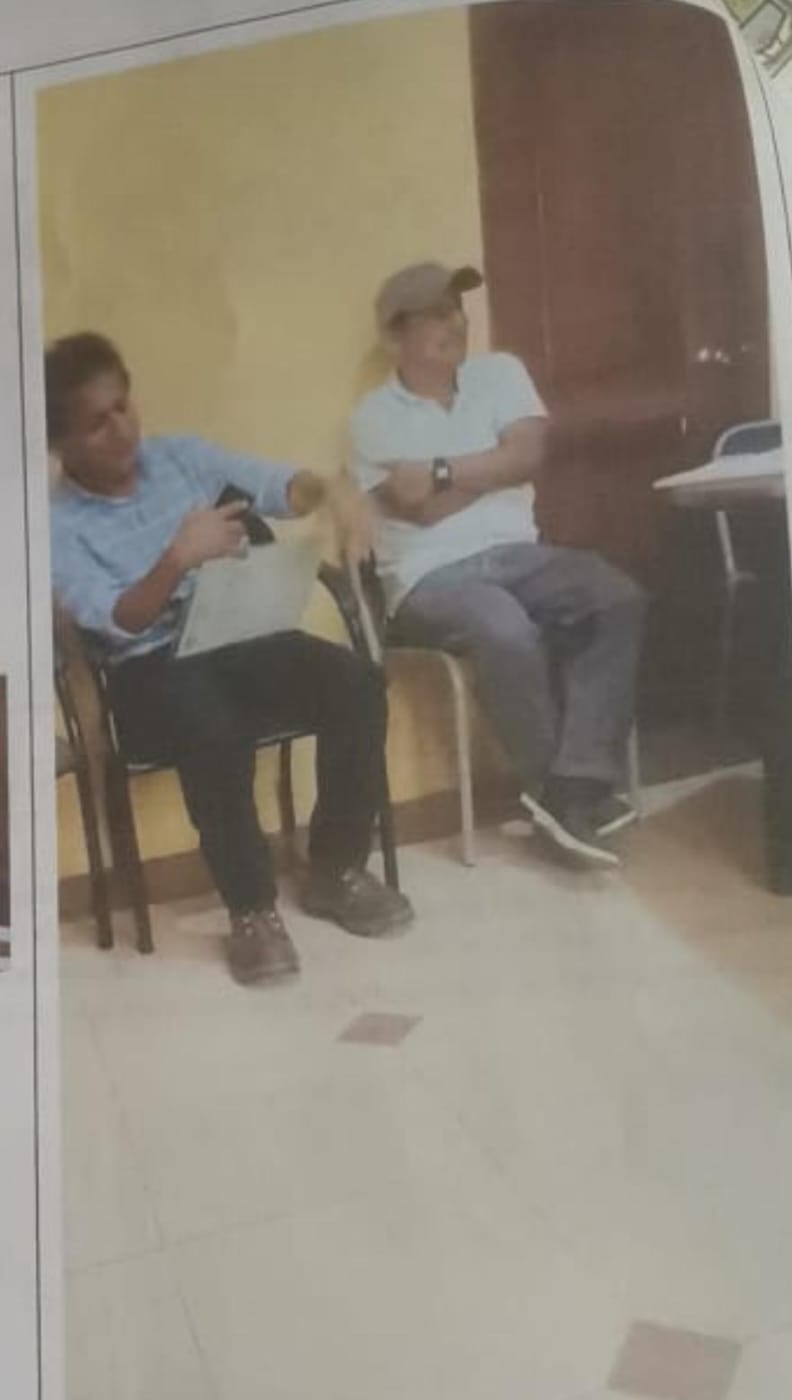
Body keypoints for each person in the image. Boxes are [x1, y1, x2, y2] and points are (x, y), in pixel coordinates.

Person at [46, 332, 412, 985]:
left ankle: (336, 869)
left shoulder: (180, 457)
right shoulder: (56, 525)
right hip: (147, 670)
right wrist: (177, 558)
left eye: (123, 406)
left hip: (234, 638)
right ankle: (251, 911)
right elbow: (119, 619)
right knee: (211, 722)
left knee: (354, 682)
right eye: (97, 423)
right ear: (61, 443)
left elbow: (277, 487)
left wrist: (329, 491)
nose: (122, 429)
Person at [349, 262, 647, 867]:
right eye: (436, 314)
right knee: (502, 626)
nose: (456, 323)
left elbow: (528, 455)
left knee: (617, 597)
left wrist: (440, 469)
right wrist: (496, 463)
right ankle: (561, 799)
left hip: (520, 555)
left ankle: (572, 784)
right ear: (395, 335)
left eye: (457, 309)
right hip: (428, 577)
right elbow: (421, 511)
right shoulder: (371, 418)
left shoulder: (500, 373)